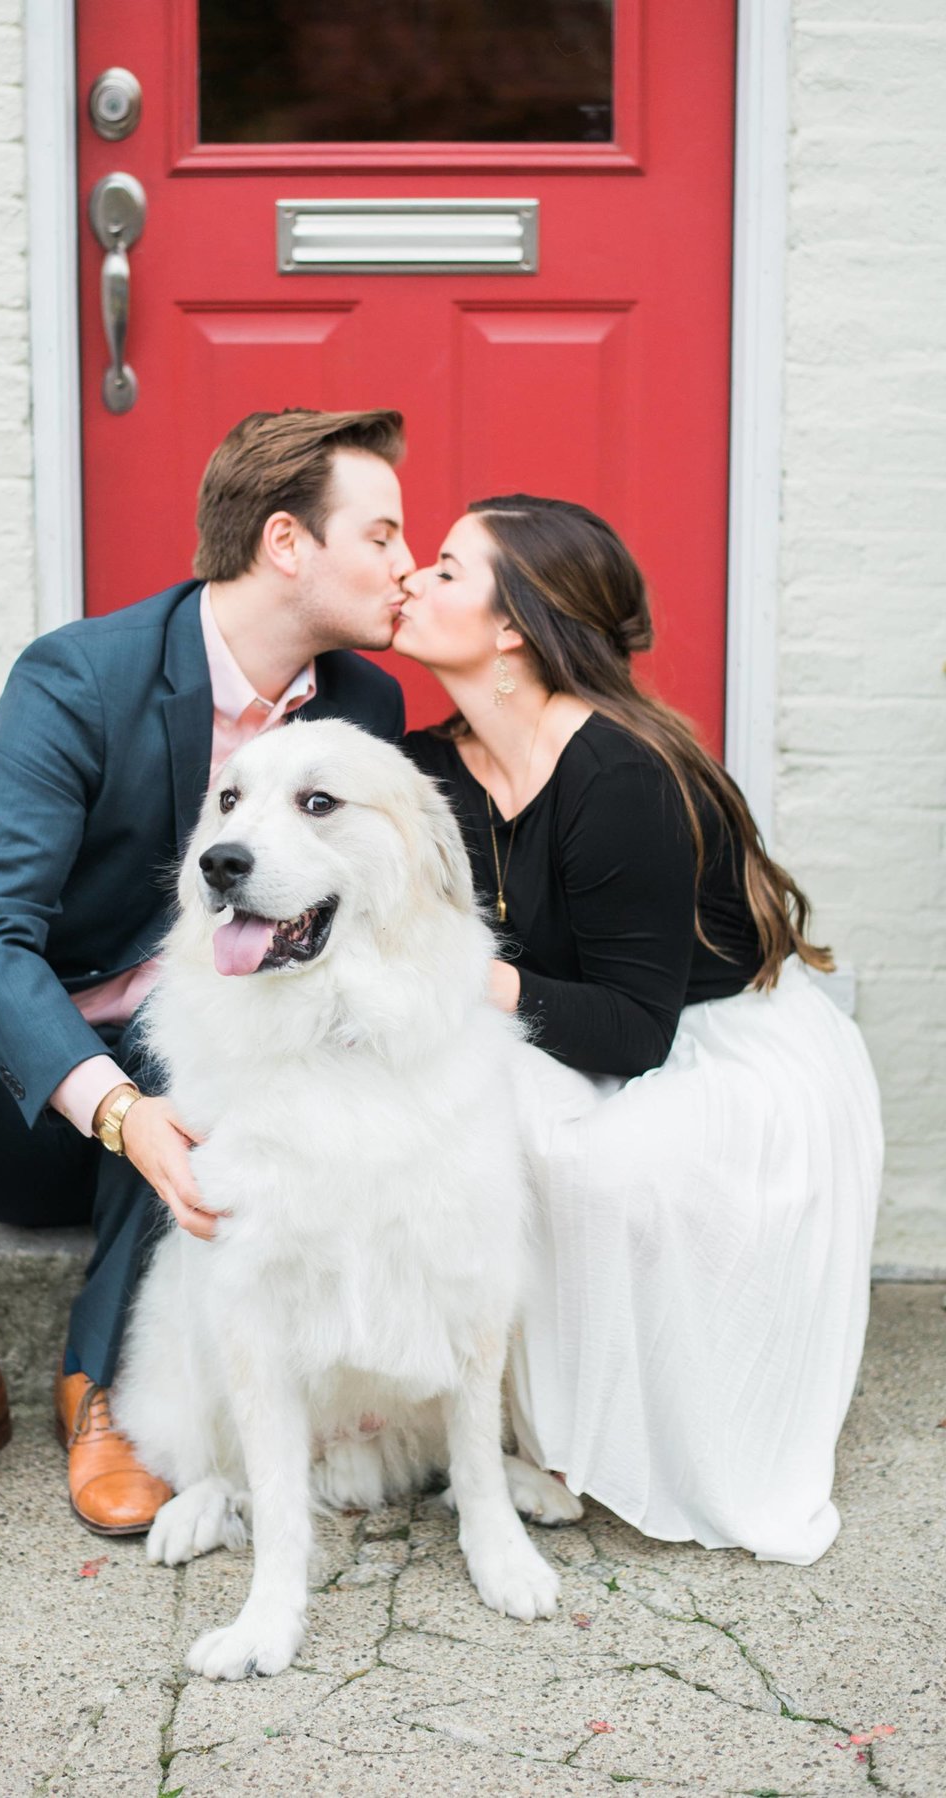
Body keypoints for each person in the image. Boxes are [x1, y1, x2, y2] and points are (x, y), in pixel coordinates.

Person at [0, 407, 414, 1540]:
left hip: (198, 1088)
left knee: (209, 1038)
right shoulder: (81, 676)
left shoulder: (363, 707)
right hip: (23, 1091)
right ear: (288, 544)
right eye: (380, 535)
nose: (405, 565)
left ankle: (104, 1392)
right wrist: (117, 1110)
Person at [396, 494, 882, 1565]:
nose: (409, 583)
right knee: (461, 1108)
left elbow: (630, 1032)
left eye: (441, 568)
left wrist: (464, 976)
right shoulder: (433, 768)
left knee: (598, 1163)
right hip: (568, 1022)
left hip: (717, 1050)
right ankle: (484, 1416)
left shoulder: (617, 775)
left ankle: (607, 1433)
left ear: (513, 624)